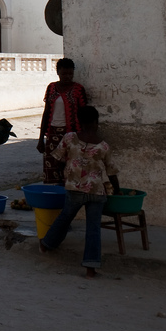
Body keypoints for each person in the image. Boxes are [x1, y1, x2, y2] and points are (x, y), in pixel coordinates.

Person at [39, 105, 120, 278]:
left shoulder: (70, 138)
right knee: (93, 229)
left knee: (65, 218)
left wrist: (65, 173)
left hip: (74, 188)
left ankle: (46, 244)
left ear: (80, 122)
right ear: (96, 122)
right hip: (97, 192)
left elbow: (56, 158)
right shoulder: (104, 146)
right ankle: (91, 268)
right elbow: (111, 172)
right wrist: (118, 190)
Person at [37, 58, 87, 185]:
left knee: (70, 167)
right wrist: (40, 139)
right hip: (52, 134)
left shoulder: (78, 89)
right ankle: (52, 198)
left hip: (71, 134)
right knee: (51, 168)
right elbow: (47, 112)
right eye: (64, 74)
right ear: (58, 72)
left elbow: (84, 114)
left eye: (70, 74)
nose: (67, 77)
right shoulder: (51, 88)